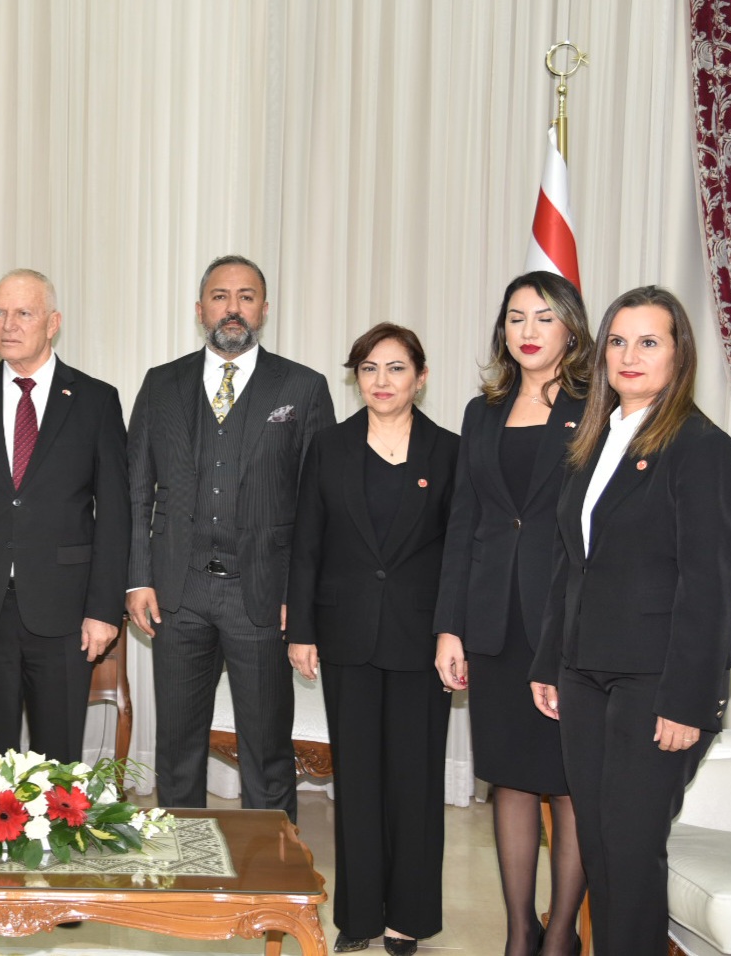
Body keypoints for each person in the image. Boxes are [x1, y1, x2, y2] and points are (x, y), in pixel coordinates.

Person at [530, 286, 731, 956]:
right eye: (618, 341)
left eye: (649, 341)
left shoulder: (702, 448)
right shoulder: (594, 439)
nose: (629, 355)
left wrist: (688, 701)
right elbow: (570, 563)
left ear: (679, 354)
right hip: (583, 673)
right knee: (599, 848)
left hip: (657, 684)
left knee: (629, 848)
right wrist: (549, 661)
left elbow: (711, 586)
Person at [127, 254, 334, 817]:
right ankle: (182, 858)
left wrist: (301, 595)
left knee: (267, 751)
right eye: (220, 296)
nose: (233, 308)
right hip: (178, 593)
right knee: (177, 751)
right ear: (200, 309)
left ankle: (270, 864)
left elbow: (320, 506)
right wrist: (138, 578)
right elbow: (136, 490)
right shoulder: (161, 384)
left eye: (246, 297)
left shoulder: (303, 388)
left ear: (264, 309)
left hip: (263, 596)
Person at [433, 272, 593, 956]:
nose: (528, 331)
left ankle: (560, 934)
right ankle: (520, 931)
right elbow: (464, 523)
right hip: (493, 620)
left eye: (544, 318)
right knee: (511, 779)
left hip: (567, 621)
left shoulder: (598, 405)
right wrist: (450, 625)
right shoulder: (483, 411)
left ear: (571, 329)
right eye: (516, 318)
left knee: (568, 783)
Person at [286, 324, 456, 956]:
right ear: (355, 377)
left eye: (396, 368)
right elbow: (306, 542)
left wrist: (454, 631)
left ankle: (409, 916)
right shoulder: (329, 446)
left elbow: (461, 553)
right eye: (368, 369)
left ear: (421, 376)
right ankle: (358, 915)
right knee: (355, 779)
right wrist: (301, 631)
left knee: (415, 780)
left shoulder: (449, 451)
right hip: (346, 634)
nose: (382, 381)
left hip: (423, 641)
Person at [0, 269, 129, 762]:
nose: (8, 324)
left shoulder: (96, 400)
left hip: (66, 609)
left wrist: (104, 610)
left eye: (23, 313)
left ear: (53, 322)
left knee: (59, 763)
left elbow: (115, 513)